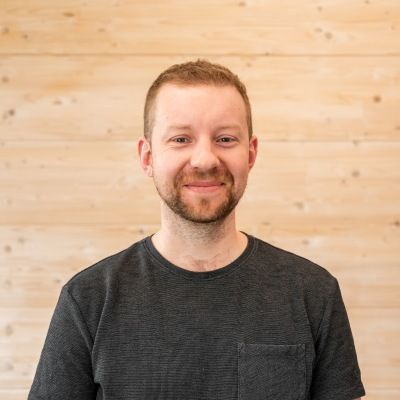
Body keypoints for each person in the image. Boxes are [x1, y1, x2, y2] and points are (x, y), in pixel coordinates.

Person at [28, 59, 366, 400]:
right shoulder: (88, 299)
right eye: (180, 139)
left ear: (250, 154)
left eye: (225, 138)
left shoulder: (313, 293)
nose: (205, 160)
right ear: (147, 157)